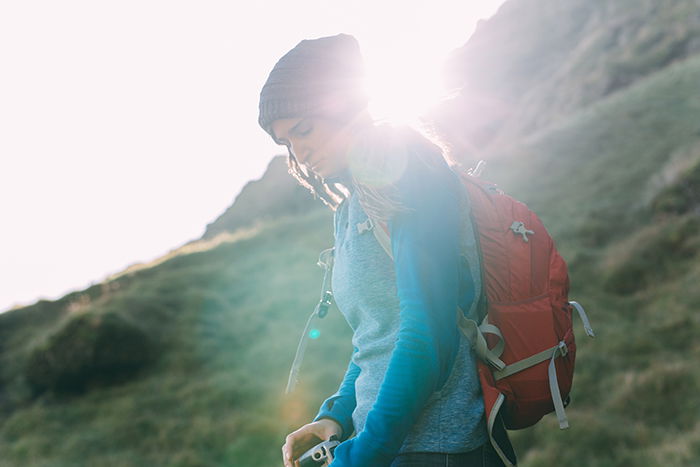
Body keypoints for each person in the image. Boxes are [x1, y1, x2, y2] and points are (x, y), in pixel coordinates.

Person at [258, 33, 505, 467]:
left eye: (304, 129)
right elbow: (377, 336)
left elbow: (426, 338)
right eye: (286, 142)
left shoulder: (409, 172)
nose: (299, 151)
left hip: (439, 449)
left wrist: (362, 455)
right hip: (391, 447)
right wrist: (336, 416)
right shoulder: (352, 202)